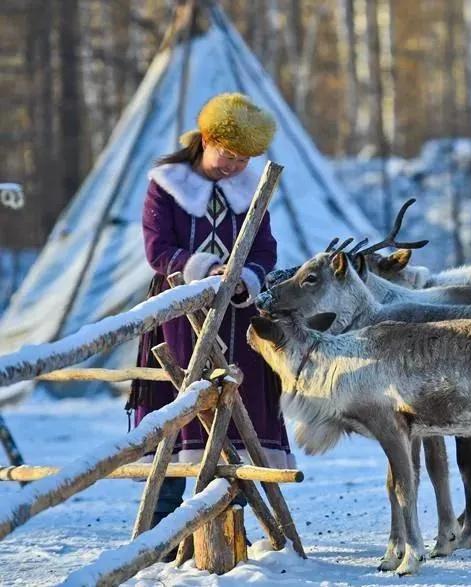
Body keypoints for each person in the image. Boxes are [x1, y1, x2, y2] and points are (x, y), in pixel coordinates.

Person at [128, 93, 293, 532]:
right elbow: (157, 248)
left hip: (238, 322)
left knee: (235, 420)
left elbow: (265, 248)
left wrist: (246, 278)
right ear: (206, 138)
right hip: (180, 317)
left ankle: (227, 525)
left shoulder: (251, 189)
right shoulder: (167, 185)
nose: (235, 166)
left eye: (244, 159)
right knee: (176, 417)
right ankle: (160, 532)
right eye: (228, 154)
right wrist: (204, 269)